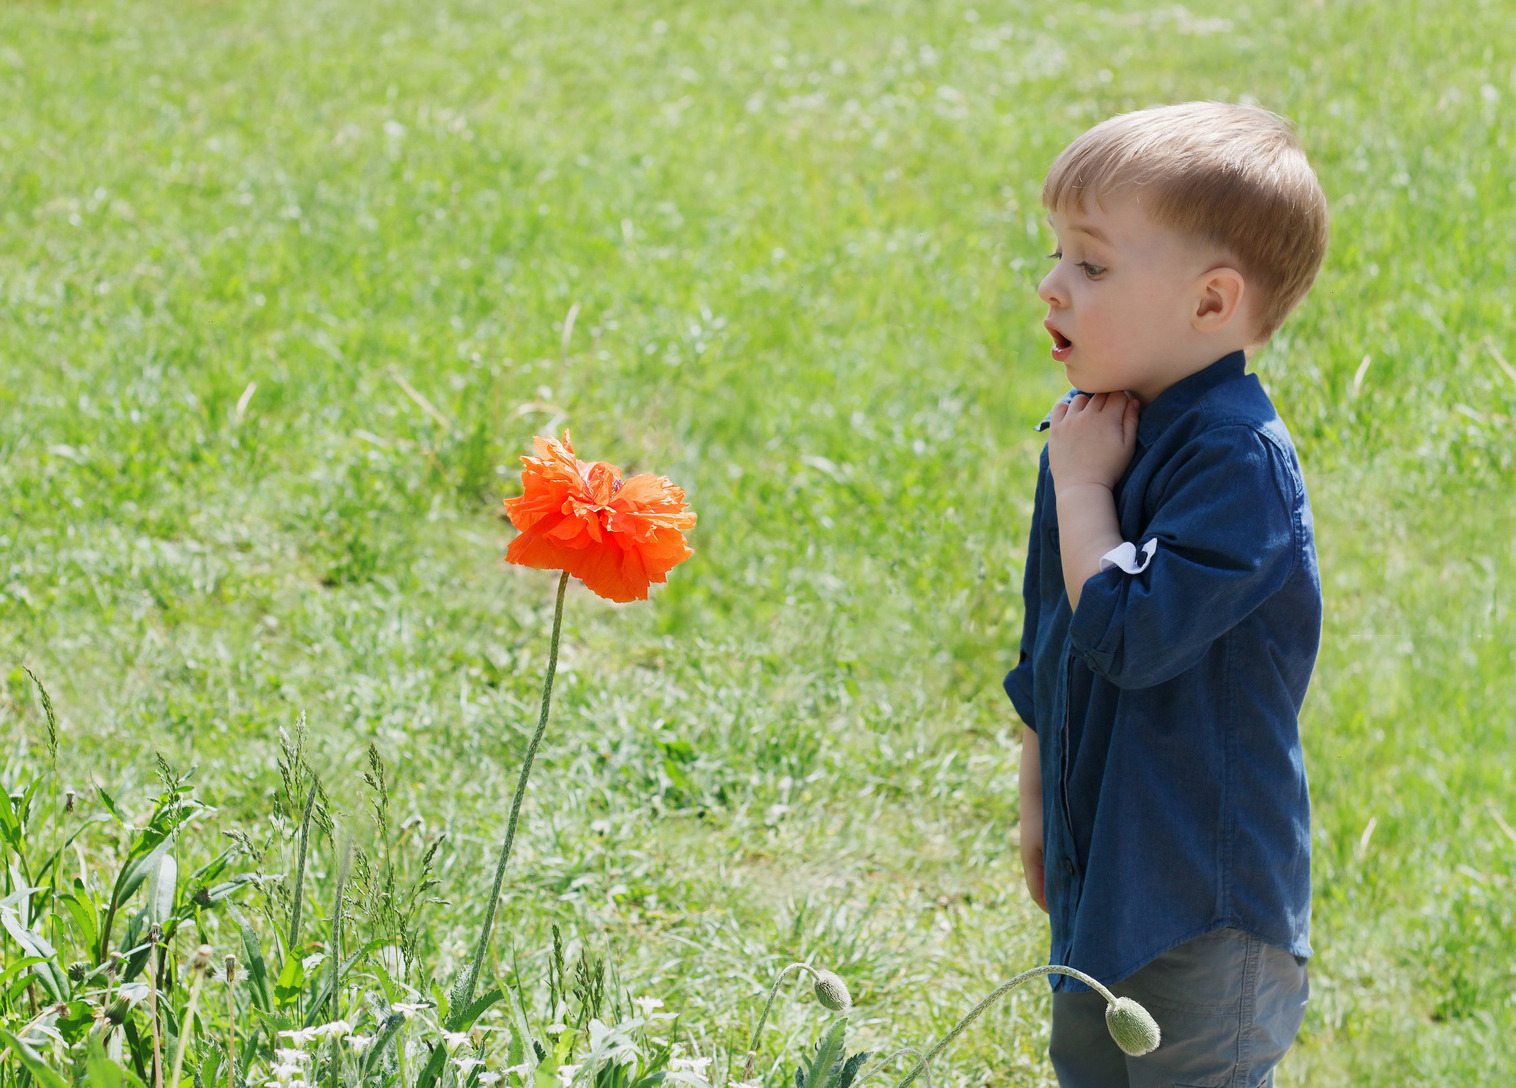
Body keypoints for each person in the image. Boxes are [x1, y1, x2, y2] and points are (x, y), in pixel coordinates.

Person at [1004, 101, 1329, 1088]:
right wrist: (1035, 798)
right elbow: (1053, 635)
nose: (1051, 285)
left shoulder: (1233, 461)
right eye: (1057, 253)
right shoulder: (1095, 431)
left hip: (1203, 906)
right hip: (1106, 877)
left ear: (1209, 301)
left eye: (1091, 264)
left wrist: (1085, 489)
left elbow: (1128, 632)